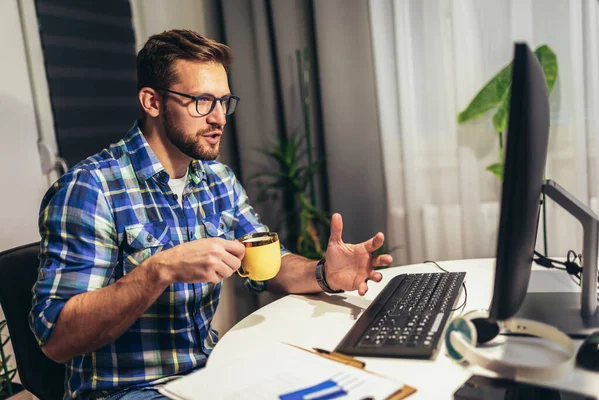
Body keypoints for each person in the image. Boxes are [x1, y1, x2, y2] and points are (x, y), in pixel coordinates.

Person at [29, 29, 393, 400]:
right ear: (152, 102)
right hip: (127, 391)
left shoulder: (217, 179)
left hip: (210, 372)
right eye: (202, 101)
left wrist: (324, 274)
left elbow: (267, 263)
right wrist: (160, 270)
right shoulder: (90, 189)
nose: (219, 117)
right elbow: (57, 340)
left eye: (223, 101)